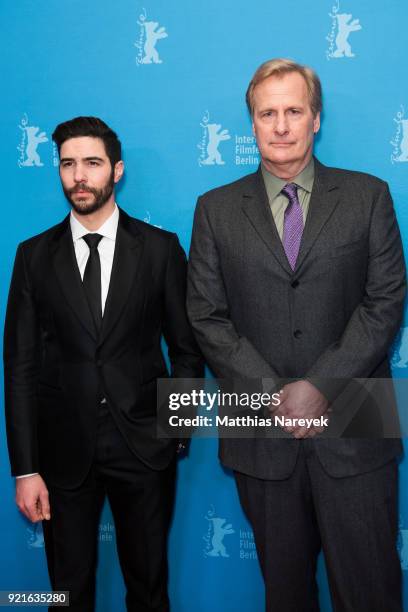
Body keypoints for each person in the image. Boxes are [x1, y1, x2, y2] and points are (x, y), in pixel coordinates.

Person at [187, 59, 405, 611]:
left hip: (357, 422)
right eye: (268, 113)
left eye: (293, 111)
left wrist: (320, 385)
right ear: (252, 124)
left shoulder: (369, 196)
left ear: (315, 119)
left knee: (371, 592)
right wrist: (273, 393)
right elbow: (207, 316)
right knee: (285, 596)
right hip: (262, 432)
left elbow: (385, 302)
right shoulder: (214, 210)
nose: (280, 125)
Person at [4, 116, 203, 612]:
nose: (78, 176)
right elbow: (20, 368)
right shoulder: (32, 256)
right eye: (68, 164)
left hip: (144, 448)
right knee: (65, 595)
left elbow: (186, 348)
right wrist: (25, 469)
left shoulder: (159, 250)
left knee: (149, 588)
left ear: (116, 171)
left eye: (91, 163)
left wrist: (174, 430)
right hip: (61, 455)